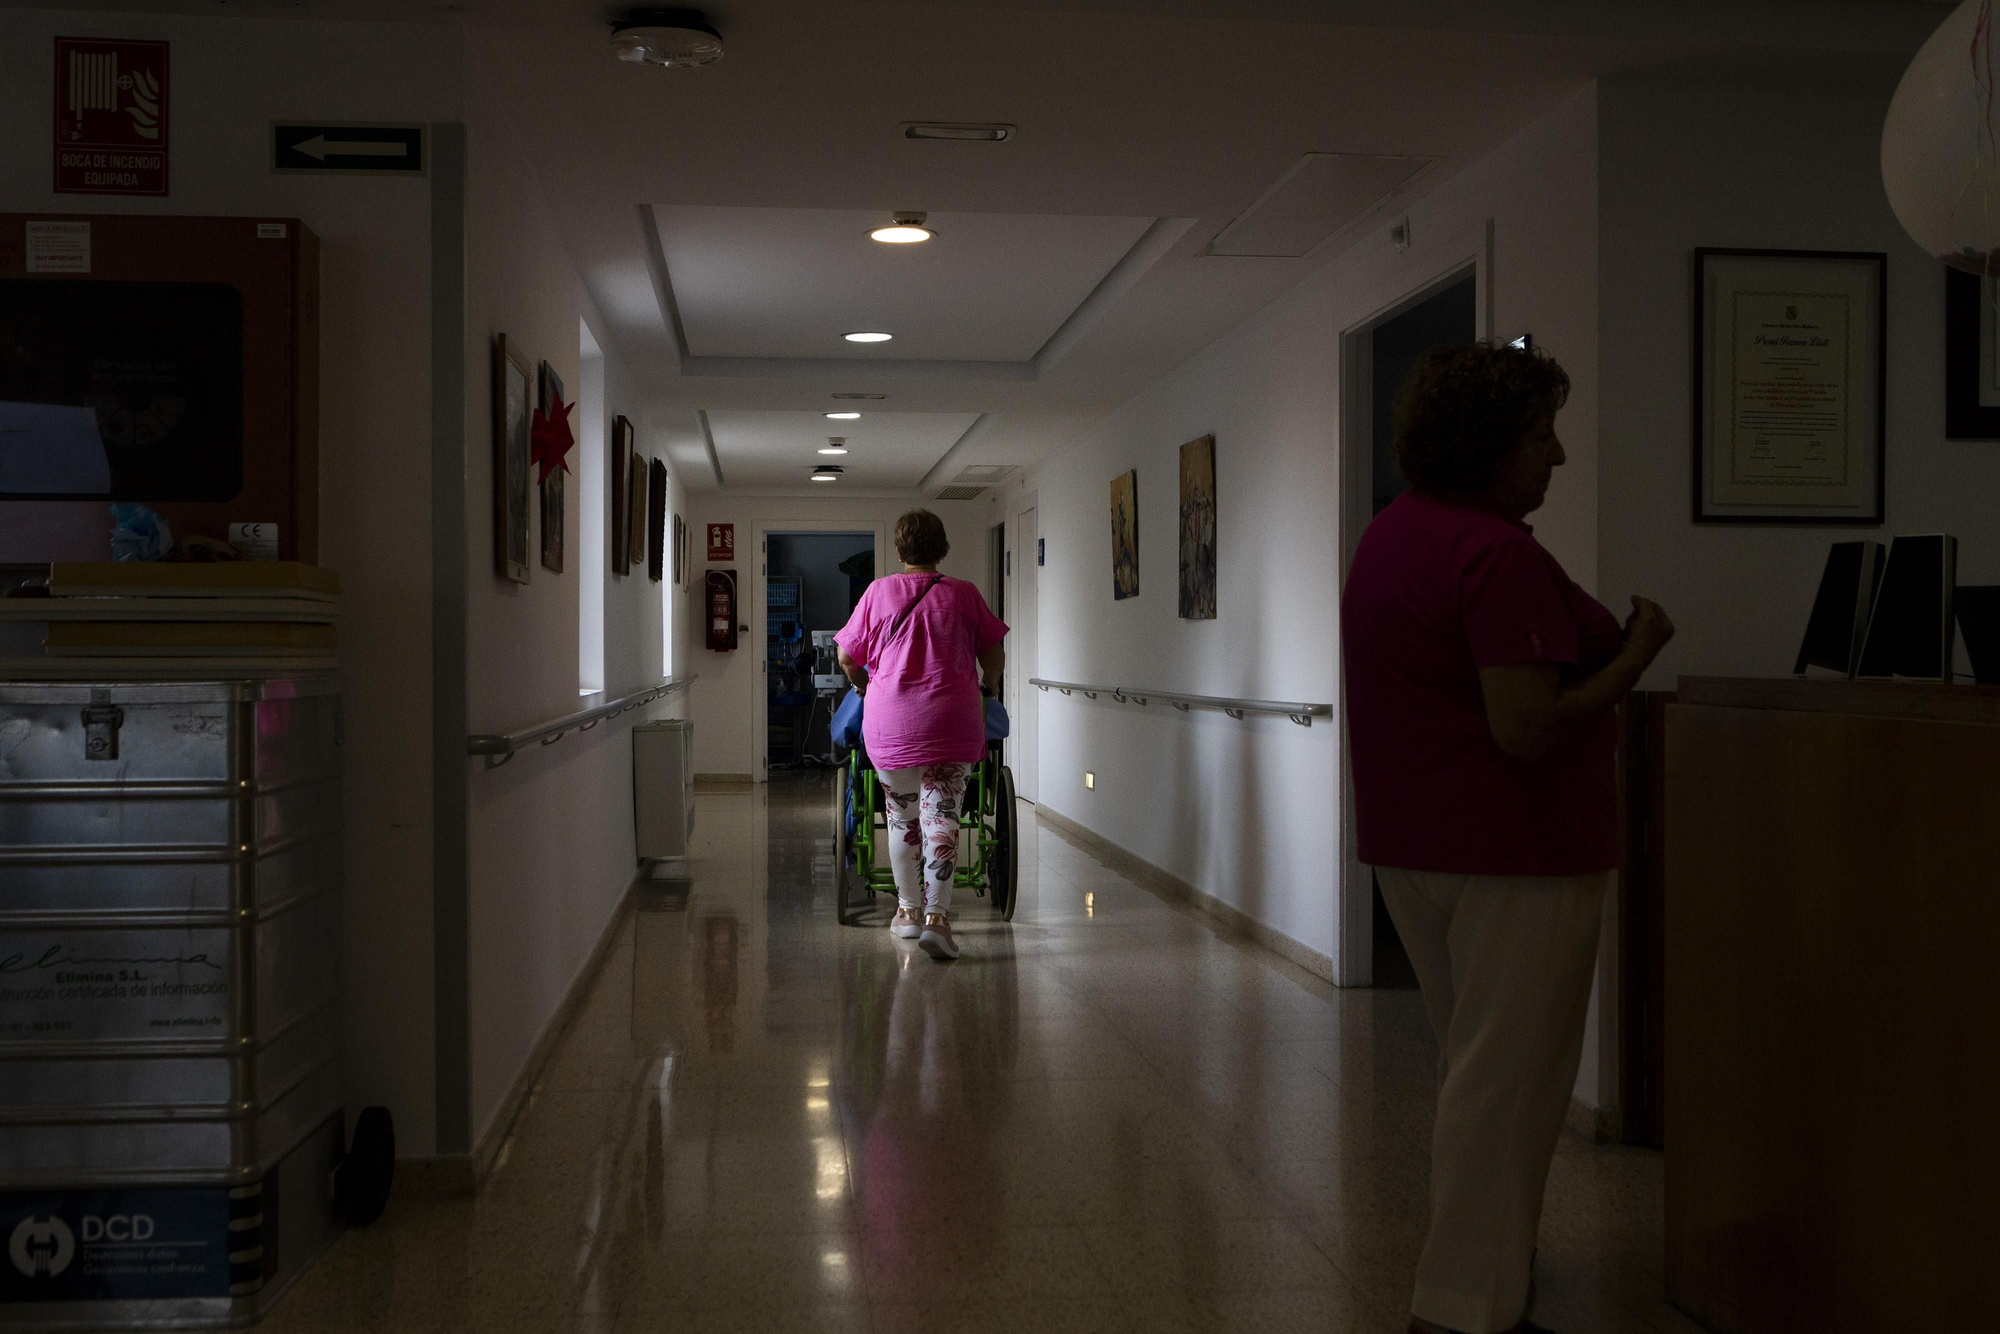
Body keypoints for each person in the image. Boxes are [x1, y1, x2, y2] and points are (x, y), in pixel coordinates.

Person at [1341, 343, 1676, 1334]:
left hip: (1417, 843)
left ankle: (1487, 1273)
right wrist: (1639, 653)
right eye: (1539, 436)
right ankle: (1464, 1306)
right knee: (1510, 1087)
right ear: (1487, 444)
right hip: (1515, 851)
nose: (1558, 456)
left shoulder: (1390, 535)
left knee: (1479, 1070)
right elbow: (1525, 726)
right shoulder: (1495, 553)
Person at [835, 510, 1007, 961]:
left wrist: (862, 687)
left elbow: (847, 657)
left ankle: (908, 913)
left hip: (892, 725)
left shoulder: (878, 592)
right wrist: (988, 685)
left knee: (902, 817)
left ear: (899, 551)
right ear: (943, 548)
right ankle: (937, 918)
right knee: (942, 816)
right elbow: (994, 655)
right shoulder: (965, 595)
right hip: (951, 720)